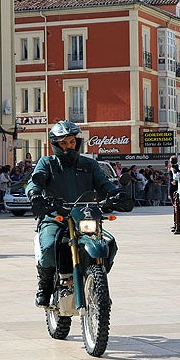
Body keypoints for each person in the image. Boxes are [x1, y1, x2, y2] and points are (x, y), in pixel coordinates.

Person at [26, 121, 124, 307]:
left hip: (84, 217)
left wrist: (116, 193)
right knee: (47, 247)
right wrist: (35, 194)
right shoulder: (48, 163)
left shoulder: (90, 164)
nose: (68, 146)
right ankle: (45, 285)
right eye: (63, 143)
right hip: (55, 216)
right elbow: (35, 182)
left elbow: (104, 184)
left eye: (71, 142)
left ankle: (97, 283)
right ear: (55, 144)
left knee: (109, 243)